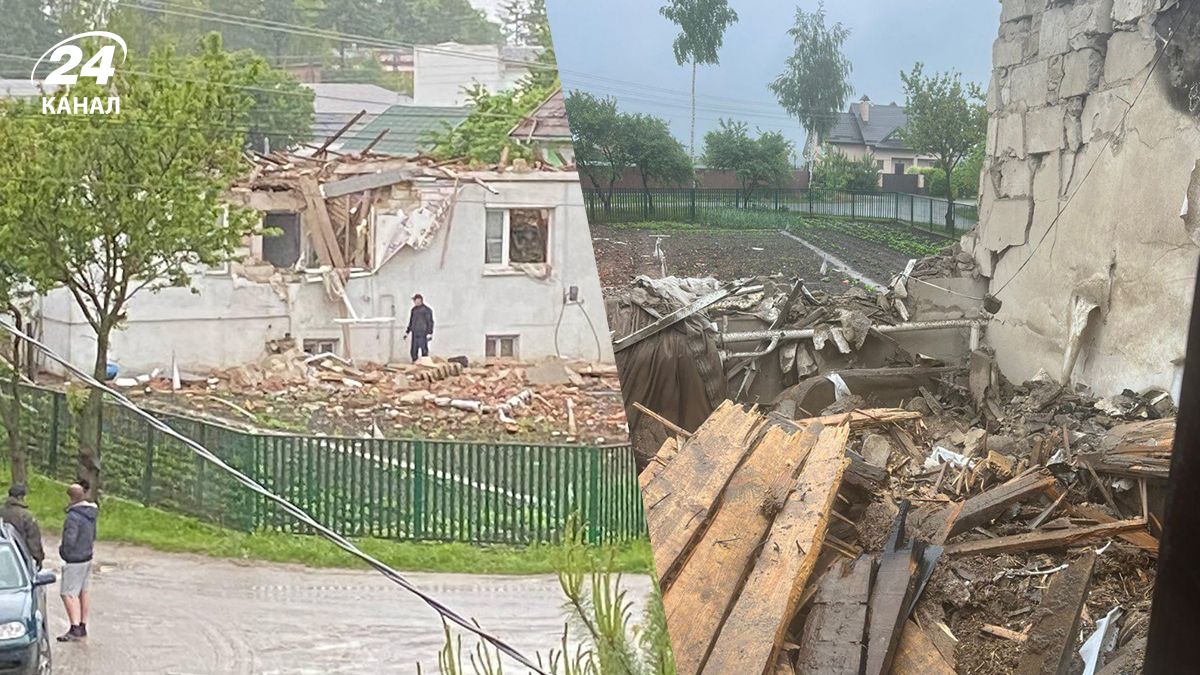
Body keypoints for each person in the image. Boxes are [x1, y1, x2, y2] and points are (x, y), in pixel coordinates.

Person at [57, 483, 97, 642]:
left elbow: (70, 539)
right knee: (83, 591)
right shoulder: (91, 514)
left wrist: (64, 552)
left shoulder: (73, 516)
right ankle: (82, 625)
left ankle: (74, 628)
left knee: (67, 593)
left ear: (70, 497)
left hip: (74, 559)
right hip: (87, 556)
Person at [0, 485, 43, 569]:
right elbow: (33, 539)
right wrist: (38, 558)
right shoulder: (26, 515)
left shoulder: (1, 511)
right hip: (20, 557)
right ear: (20, 497)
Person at [404, 294, 434, 363]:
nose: (414, 302)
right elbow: (411, 322)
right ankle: (414, 362)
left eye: (415, 300)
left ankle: (425, 364)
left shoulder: (427, 310)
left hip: (423, 333)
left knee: (424, 350)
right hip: (415, 333)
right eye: (414, 300)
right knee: (413, 350)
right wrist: (407, 332)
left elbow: (430, 322)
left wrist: (430, 333)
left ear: (419, 300)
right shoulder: (413, 310)